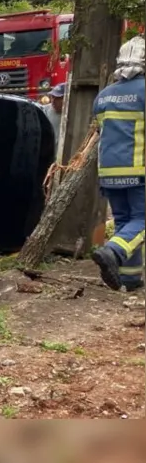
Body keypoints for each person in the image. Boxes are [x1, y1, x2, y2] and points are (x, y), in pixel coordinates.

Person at [90, 36, 145, 292]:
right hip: (138, 170)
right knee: (142, 220)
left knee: (125, 222)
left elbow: (101, 131)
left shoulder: (103, 96)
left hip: (109, 172)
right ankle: (112, 250)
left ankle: (129, 278)